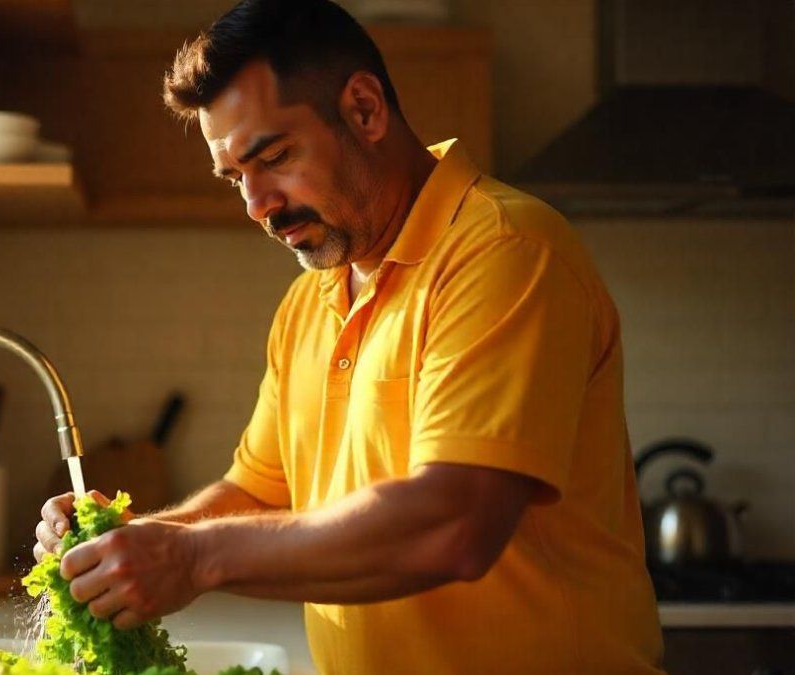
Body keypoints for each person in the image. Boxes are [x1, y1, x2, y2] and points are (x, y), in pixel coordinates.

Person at [34, 0, 664, 672]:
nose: (256, 205)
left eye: (272, 157)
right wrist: (133, 541)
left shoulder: (504, 253)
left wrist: (192, 557)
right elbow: (259, 495)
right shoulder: (310, 301)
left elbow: (456, 522)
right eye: (234, 178)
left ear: (364, 110)